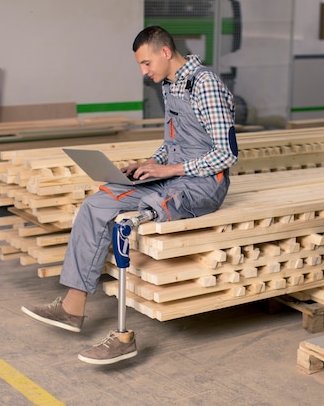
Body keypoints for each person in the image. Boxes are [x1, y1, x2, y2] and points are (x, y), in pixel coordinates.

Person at [21, 25, 238, 365]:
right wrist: (151, 163)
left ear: (166, 52)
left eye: (146, 63)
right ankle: (71, 308)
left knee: (127, 220)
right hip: (172, 175)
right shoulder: (171, 84)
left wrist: (169, 171)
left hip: (203, 185)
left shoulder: (204, 84)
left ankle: (124, 337)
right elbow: (172, 144)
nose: (144, 71)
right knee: (97, 204)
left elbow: (226, 155)